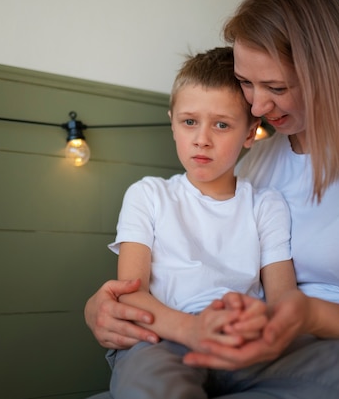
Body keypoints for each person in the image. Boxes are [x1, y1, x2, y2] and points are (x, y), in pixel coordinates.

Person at [85, 0, 339, 397]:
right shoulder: (256, 164)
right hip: (260, 344)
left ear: (332, 75)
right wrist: (102, 309)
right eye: (245, 83)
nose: (256, 108)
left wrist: (312, 315)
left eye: (277, 88)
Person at [106, 46, 298, 398]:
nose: (202, 139)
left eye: (222, 125)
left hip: (242, 340)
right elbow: (131, 296)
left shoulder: (265, 205)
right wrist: (193, 330)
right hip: (163, 339)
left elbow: (284, 299)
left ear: (250, 132)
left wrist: (251, 328)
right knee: (149, 384)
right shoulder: (147, 195)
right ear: (173, 123)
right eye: (189, 121)